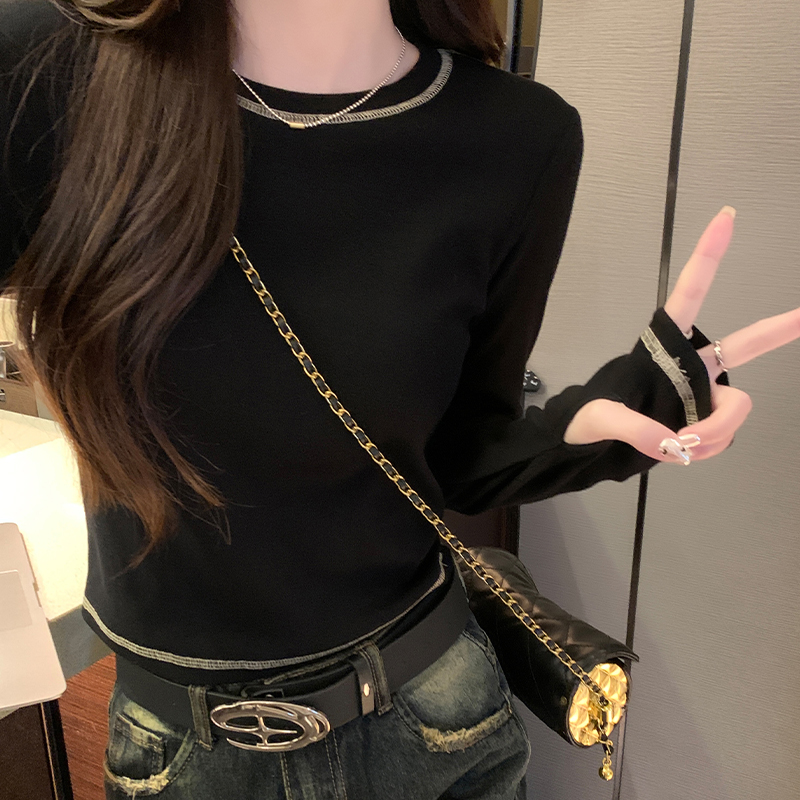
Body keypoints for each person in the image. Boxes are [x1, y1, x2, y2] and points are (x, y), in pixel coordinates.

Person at [1, 0, 798, 797]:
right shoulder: (49, 71)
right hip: (186, 752)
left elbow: (458, 455)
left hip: (439, 723)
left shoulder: (516, 136)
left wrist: (588, 427)